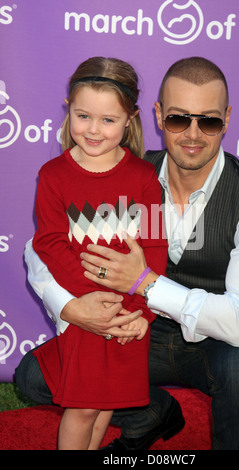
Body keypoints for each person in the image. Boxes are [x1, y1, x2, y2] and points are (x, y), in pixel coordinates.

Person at [16, 57, 239, 450]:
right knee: (35, 376)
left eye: (208, 121)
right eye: (179, 119)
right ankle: (152, 413)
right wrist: (71, 307)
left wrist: (145, 285)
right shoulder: (118, 168)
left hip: (210, 340)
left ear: (226, 119)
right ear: (158, 116)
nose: (193, 134)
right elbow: (42, 246)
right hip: (130, 323)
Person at [20, 56, 168, 450]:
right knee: (82, 408)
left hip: (130, 314)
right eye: (84, 116)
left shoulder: (145, 178)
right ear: (69, 110)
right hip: (89, 311)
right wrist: (92, 299)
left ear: (130, 120)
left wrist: (143, 313)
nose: (94, 130)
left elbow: (154, 245)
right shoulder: (53, 176)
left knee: (107, 407)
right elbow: (49, 242)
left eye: (108, 120)